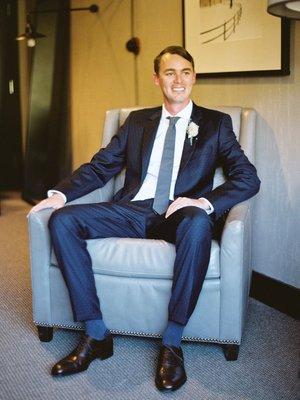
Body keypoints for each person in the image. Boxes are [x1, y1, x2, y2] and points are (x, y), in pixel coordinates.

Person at [30, 45, 260, 391]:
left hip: (178, 214)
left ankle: (172, 341)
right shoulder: (137, 121)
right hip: (133, 210)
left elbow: (247, 178)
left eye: (185, 72)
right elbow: (102, 166)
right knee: (63, 220)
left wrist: (203, 201)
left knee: (198, 224)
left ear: (194, 77)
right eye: (170, 73)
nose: (178, 80)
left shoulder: (216, 124)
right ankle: (95, 334)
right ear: (157, 79)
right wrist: (61, 194)